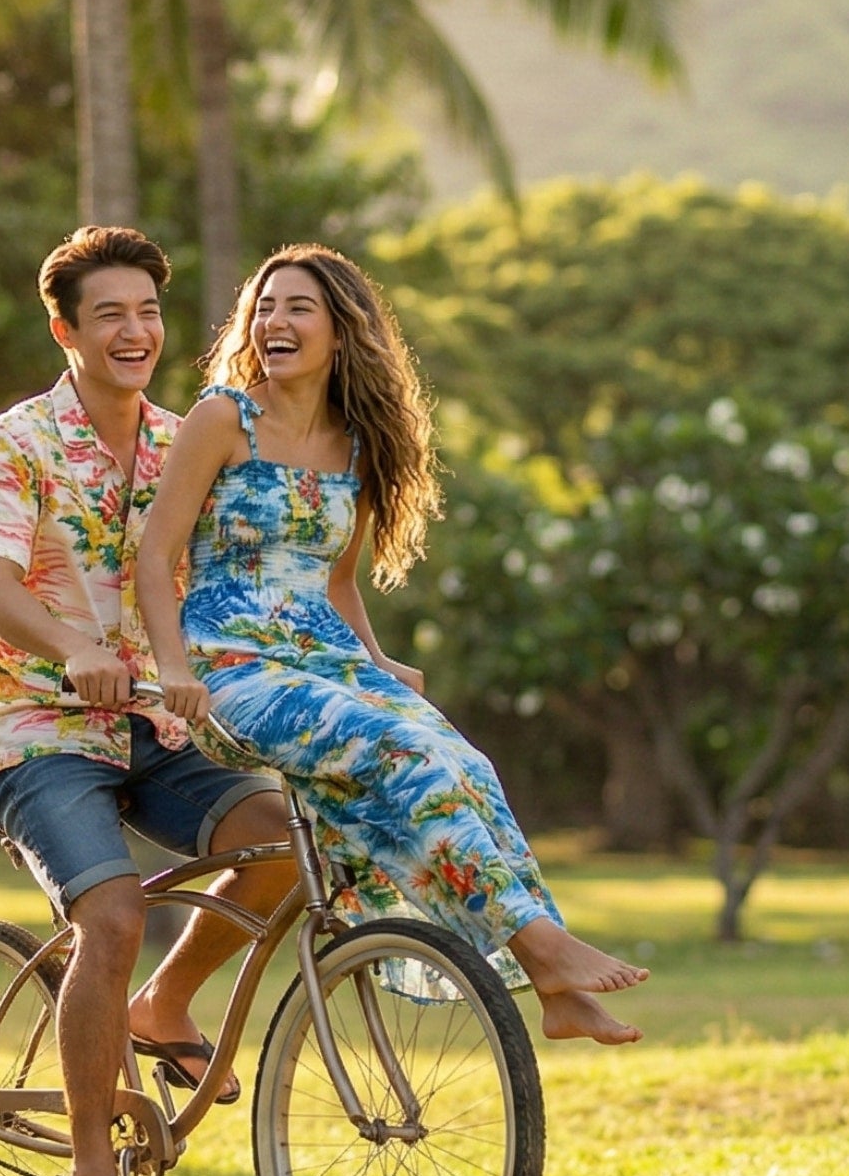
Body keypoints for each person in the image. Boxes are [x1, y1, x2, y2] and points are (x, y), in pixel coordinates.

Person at [137, 244, 650, 1045]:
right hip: (228, 663)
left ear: (341, 332)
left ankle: (552, 990)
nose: (275, 320)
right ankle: (542, 948)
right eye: (265, 306)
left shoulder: (354, 447)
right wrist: (171, 666)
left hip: (323, 657)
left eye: (298, 307)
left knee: (465, 762)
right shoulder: (222, 418)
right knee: (394, 751)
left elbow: (337, 586)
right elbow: (154, 554)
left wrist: (375, 664)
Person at [0, 226, 302, 1176]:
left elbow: (235, 578)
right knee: (109, 913)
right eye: (110, 314)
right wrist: (73, 648)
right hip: (31, 723)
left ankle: (167, 1003)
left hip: (151, 718)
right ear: (65, 332)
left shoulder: (184, 440)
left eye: (148, 311)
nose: (134, 330)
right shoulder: (16, 444)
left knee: (280, 838)